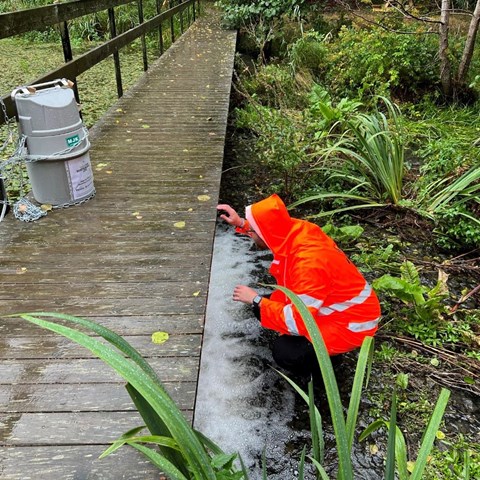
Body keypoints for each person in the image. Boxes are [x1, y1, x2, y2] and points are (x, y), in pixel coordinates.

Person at [217, 194, 381, 378]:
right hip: (337, 307)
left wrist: (256, 299)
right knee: (262, 308)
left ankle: (322, 373)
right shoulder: (299, 231)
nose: (252, 235)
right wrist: (241, 224)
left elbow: (298, 322)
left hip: (351, 324)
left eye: (253, 231)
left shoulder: (308, 265)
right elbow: (270, 232)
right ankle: (319, 351)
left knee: (286, 352)